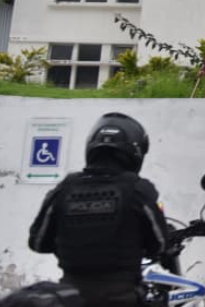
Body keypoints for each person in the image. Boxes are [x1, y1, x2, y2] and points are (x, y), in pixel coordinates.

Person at [27, 113, 170, 307]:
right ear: (135, 152)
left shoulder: (65, 189)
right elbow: (160, 244)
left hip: (71, 297)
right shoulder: (139, 189)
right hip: (121, 297)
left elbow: (38, 242)